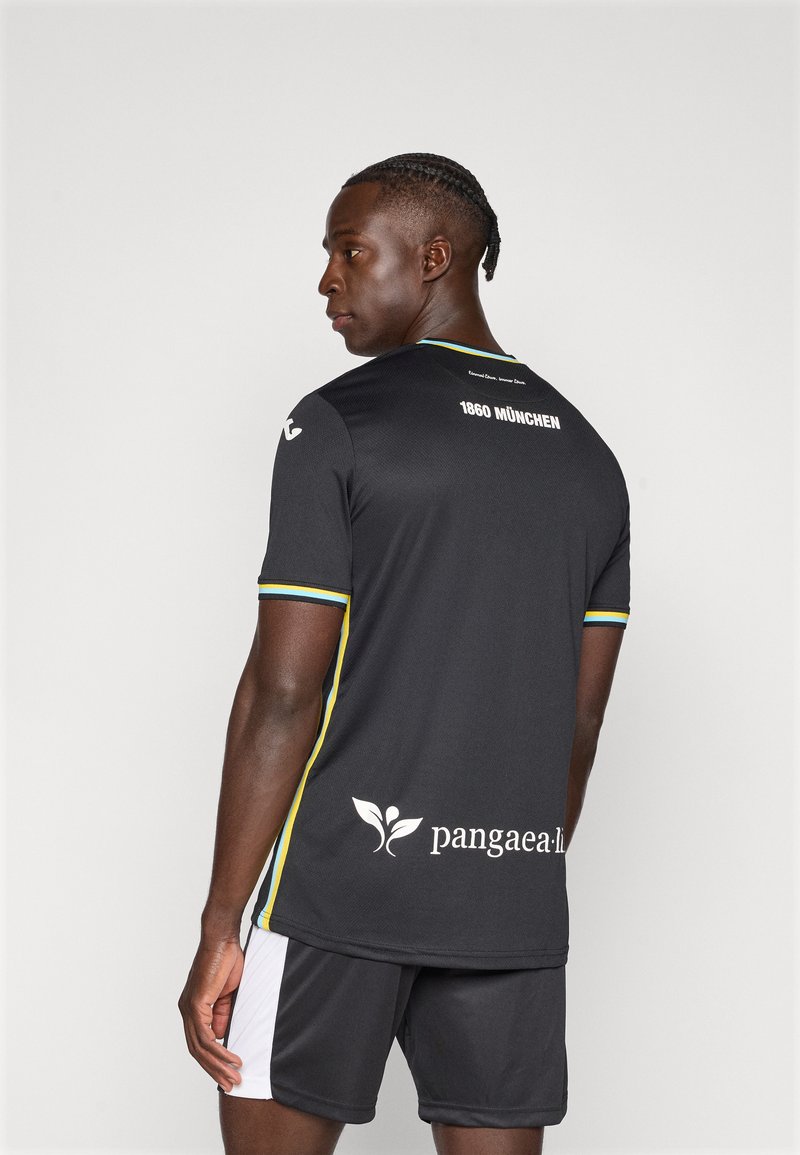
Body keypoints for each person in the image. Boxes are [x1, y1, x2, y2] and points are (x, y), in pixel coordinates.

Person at [178, 152, 631, 1155]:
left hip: (337, 889)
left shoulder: (338, 423)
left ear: (433, 258)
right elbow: (581, 718)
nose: (325, 280)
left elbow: (284, 691)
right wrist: (500, 867)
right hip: (509, 903)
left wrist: (221, 924)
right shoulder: (590, 459)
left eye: (350, 251)